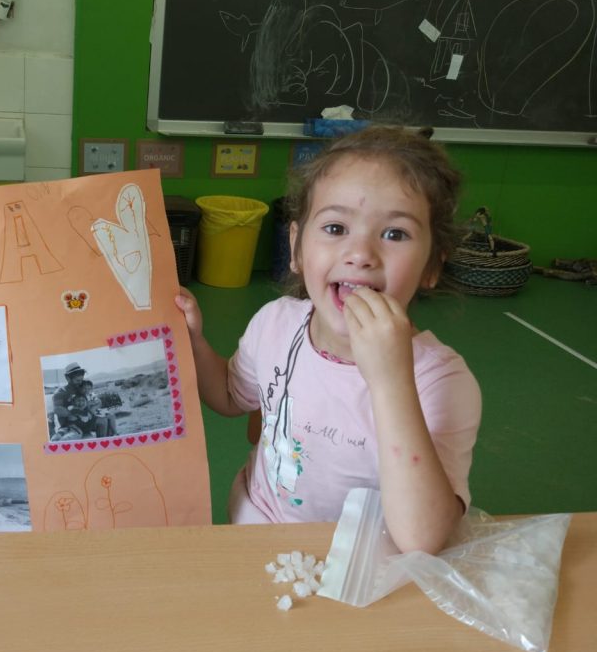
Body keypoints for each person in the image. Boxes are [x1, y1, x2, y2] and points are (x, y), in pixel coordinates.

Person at [176, 126, 481, 554]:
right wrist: (193, 342)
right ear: (297, 248)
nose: (361, 254)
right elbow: (229, 395)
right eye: (336, 227)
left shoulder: (441, 381)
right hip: (256, 528)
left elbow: (422, 539)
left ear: (432, 266)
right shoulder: (275, 324)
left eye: (395, 234)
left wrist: (390, 380)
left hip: (360, 560)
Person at [52, 363, 117, 438]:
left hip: (85, 421)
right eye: (77, 380)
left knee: (104, 420)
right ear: (67, 378)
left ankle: (104, 441)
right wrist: (79, 412)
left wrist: (93, 408)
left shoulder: (81, 388)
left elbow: (98, 401)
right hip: (71, 424)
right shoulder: (60, 392)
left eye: (81, 380)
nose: (80, 382)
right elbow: (57, 410)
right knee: (102, 421)